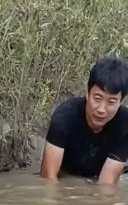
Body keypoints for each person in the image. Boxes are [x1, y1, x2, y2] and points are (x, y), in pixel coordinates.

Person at [40, 56, 128, 186]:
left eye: (111, 102)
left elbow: (106, 185)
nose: (101, 109)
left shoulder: (124, 123)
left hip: (97, 176)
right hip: (65, 174)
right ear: (87, 93)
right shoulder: (65, 116)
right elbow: (48, 178)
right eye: (97, 98)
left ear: (120, 102)